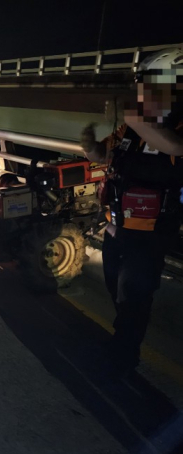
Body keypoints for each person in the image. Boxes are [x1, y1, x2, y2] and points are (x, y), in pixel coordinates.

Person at [80, 47, 183, 376]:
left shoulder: (174, 123)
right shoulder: (132, 127)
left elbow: (177, 148)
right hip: (117, 226)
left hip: (151, 231)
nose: (140, 91)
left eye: (147, 84)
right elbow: (104, 153)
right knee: (117, 288)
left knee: (134, 294)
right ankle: (121, 340)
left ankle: (123, 358)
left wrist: (139, 120)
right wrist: (89, 145)